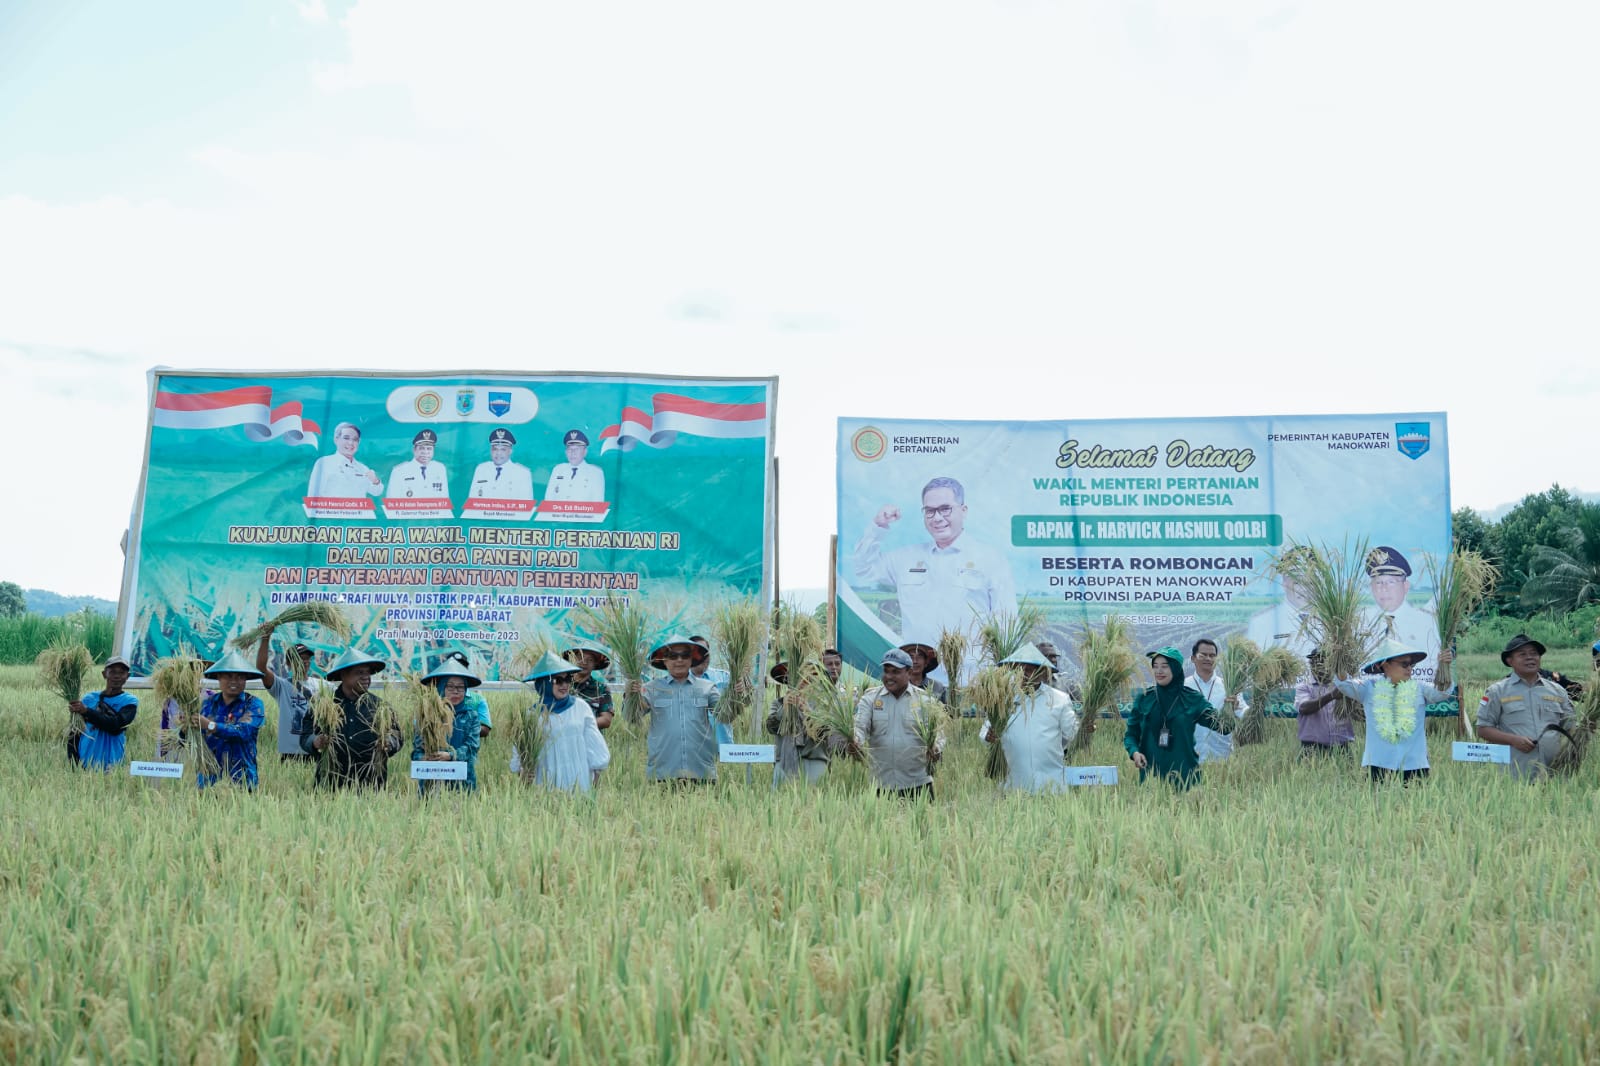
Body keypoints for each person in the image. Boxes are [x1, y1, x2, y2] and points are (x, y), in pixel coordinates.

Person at [852, 476, 1017, 649]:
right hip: (917, 671)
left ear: (964, 510)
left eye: (945, 509)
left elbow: (1006, 622)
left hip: (971, 672)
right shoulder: (906, 558)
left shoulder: (990, 559)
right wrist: (878, 526)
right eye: (929, 511)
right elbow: (864, 568)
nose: (937, 518)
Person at [1331, 638, 1454, 785]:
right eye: (1404, 664)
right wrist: (1338, 657)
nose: (1409, 668)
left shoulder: (1420, 688)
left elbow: (1442, 692)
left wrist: (1445, 666)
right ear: (1385, 665)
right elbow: (1344, 683)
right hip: (1378, 764)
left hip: (1414, 766)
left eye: (1411, 664)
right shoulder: (1368, 688)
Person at [1475, 634, 1577, 780]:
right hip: (1516, 773)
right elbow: (1483, 729)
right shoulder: (1497, 691)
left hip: (1555, 772)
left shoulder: (1557, 691)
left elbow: (1570, 726)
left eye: (1534, 653)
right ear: (1510, 661)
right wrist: (1513, 740)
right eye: (1522, 654)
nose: (1530, 657)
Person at [980, 644, 1080, 792]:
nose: (1025, 674)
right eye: (1021, 669)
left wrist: (1086, 727)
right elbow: (985, 731)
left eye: (1031, 670)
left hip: (1051, 782)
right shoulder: (1003, 699)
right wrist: (988, 736)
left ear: (1043, 673)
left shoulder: (1059, 699)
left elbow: (1073, 732)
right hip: (1012, 781)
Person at [1124, 647, 1226, 790]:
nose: (1159, 671)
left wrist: (1230, 708)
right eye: (1155, 666)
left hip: (1186, 781)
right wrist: (1134, 752)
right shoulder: (1145, 699)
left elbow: (1223, 726)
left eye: (1165, 667)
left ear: (1176, 669)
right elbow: (1131, 734)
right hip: (1151, 782)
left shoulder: (1192, 698)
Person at [299, 647, 401, 790]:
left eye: (368, 673)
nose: (366, 677)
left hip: (371, 786)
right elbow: (305, 736)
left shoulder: (381, 707)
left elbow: (397, 736)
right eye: (359, 673)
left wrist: (389, 743)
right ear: (343, 675)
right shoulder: (323, 705)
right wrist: (315, 742)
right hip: (330, 784)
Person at [851, 648, 944, 800]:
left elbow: (938, 735)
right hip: (881, 785)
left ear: (908, 672)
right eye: (886, 671)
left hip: (918, 784)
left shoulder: (925, 701)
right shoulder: (870, 699)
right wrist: (855, 741)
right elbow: (860, 727)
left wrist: (936, 749)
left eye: (895, 672)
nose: (889, 677)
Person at [515, 651, 611, 791]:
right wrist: (525, 775)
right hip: (544, 784)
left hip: (579, 783)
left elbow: (595, 747)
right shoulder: (531, 716)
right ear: (544, 684)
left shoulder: (580, 707)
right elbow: (522, 759)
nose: (564, 685)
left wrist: (593, 790)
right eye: (558, 680)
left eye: (568, 679)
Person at [631, 635, 719, 784]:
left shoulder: (707, 687)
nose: (679, 660)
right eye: (673, 656)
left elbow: (725, 715)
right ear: (664, 660)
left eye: (684, 655)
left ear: (691, 659)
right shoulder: (651, 688)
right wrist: (630, 695)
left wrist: (736, 694)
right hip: (663, 773)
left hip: (701, 772)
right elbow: (633, 717)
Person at [194, 650, 267, 790]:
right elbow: (193, 738)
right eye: (228, 676)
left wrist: (210, 725)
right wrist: (185, 729)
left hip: (242, 780)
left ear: (245, 679)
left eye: (240, 677)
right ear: (219, 678)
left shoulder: (253, 704)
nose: (234, 681)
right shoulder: (207, 704)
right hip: (208, 779)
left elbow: (243, 731)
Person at [1361, 546, 1437, 679]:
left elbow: (1434, 668)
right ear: (1371, 587)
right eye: (1378, 582)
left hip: (1413, 693)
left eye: (1391, 582)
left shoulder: (1425, 623)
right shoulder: (1361, 622)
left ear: (1405, 586)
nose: (1384, 589)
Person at [413, 657, 485, 793]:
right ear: (441, 688)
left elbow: (472, 747)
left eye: (460, 687)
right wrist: (424, 757)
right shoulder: (427, 716)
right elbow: (417, 750)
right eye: (450, 686)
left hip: (463, 782)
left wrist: (450, 755)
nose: (456, 691)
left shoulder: (471, 716)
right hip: (431, 782)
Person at [254, 626, 323, 762]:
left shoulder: (322, 686)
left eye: (307, 658)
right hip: (290, 754)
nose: (305, 661)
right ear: (288, 663)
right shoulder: (282, 686)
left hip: (314, 748)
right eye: (299, 658)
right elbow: (261, 669)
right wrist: (265, 638)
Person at [765, 661, 834, 785]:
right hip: (784, 761)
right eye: (795, 676)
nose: (801, 681)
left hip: (814, 760)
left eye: (806, 676)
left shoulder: (823, 704)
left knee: (815, 800)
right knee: (780, 800)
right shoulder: (778, 703)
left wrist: (807, 711)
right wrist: (784, 709)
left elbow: (826, 732)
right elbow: (771, 727)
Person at [68, 656, 138, 772]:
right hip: (86, 758)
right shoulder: (89, 699)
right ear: (104, 674)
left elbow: (115, 724)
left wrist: (87, 711)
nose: (117, 676)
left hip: (112, 761)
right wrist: (73, 761)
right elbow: (75, 732)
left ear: (127, 676)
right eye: (112, 672)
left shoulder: (129, 701)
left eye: (121, 672)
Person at [1245, 545, 1318, 656]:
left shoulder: (1337, 622)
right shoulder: (1262, 622)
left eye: (1310, 582)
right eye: (1297, 582)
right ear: (1284, 582)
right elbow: (1253, 667)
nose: (1304, 589)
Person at [1185, 637, 1245, 764]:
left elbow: (1244, 713)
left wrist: (1238, 707)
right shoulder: (1182, 687)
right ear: (1193, 658)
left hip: (1222, 758)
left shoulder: (1229, 686)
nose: (1208, 658)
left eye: (1212, 655)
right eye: (1203, 655)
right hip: (1189, 758)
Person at [1293, 649, 1355, 755]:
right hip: (1312, 748)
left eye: (1324, 662)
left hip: (1342, 747)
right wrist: (1331, 696)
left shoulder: (1343, 685)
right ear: (1311, 665)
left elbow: (1357, 712)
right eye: (1316, 663)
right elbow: (1304, 708)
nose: (1320, 666)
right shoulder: (1304, 686)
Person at [307, 422, 383, 500]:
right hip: (333, 511)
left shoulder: (362, 468)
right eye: (346, 438)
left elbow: (377, 491)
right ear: (336, 439)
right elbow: (313, 496)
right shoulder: (324, 463)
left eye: (355, 439)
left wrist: (375, 480)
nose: (350, 443)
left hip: (358, 512)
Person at [690, 634, 735, 745]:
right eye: (699, 652)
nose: (704, 656)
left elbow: (744, 702)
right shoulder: (679, 683)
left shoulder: (724, 677)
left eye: (706, 652)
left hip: (723, 750)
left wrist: (742, 690)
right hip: (693, 752)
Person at [468, 427, 534, 501]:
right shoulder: (481, 469)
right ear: (490, 450)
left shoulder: (522, 473)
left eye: (503, 449)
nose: (498, 453)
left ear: (510, 451)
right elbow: (472, 500)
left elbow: (526, 506)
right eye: (495, 449)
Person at [562, 641, 615, 730]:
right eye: (580, 657)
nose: (584, 662)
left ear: (595, 664)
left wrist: (580, 724)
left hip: (590, 739)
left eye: (590, 660)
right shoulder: (562, 685)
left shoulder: (601, 689)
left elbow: (606, 720)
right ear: (573, 659)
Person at [386, 428, 450, 501]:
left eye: (429, 449)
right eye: (421, 448)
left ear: (433, 450)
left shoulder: (439, 468)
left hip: (433, 512)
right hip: (408, 512)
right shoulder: (399, 471)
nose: (425, 452)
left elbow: (444, 500)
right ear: (414, 450)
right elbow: (391, 502)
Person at [543, 429, 605, 502]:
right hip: (558, 513)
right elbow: (548, 499)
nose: (573, 453)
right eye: (570, 449)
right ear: (566, 452)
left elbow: (598, 504)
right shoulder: (558, 470)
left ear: (585, 452)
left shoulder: (596, 473)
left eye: (577, 449)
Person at [441, 650, 492, 739]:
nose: (456, 671)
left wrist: (461, 727)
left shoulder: (478, 700)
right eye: (452, 667)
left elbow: (485, 730)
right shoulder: (435, 699)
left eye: (461, 667)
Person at [900, 639, 948, 705]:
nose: (915, 661)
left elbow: (947, 712)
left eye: (919, 657)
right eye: (911, 657)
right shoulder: (898, 686)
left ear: (926, 662)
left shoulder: (937, 687)